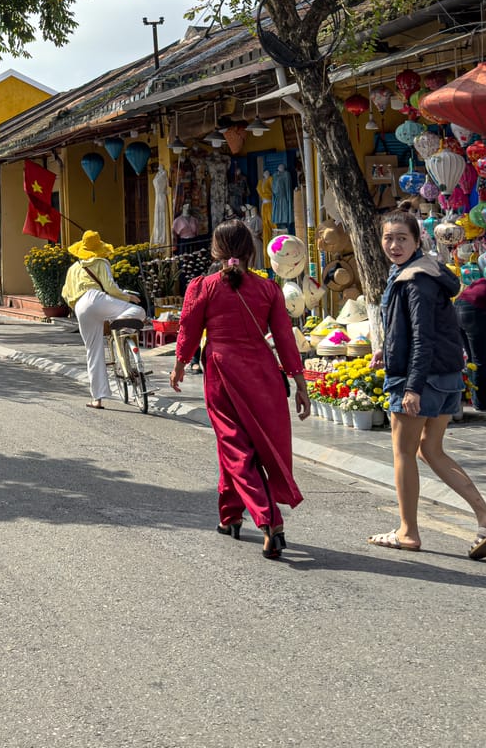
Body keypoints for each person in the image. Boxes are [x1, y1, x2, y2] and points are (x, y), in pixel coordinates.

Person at [368, 211, 486, 559]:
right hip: (444, 375)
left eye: (402, 237)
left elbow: (423, 337)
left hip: (421, 377)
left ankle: (407, 531)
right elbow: (414, 331)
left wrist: (413, 387)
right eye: (389, 238)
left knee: (403, 452)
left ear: (418, 241)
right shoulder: (422, 273)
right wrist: (386, 351)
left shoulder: (415, 280)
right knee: (430, 449)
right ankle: (485, 514)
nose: (394, 245)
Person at [170, 219, 310, 559]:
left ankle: (269, 521)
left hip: (222, 373)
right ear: (250, 250)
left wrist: (178, 365)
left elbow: (188, 330)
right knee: (243, 448)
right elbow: (285, 340)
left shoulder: (202, 286)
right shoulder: (269, 289)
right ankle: (230, 516)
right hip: (263, 375)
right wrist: (300, 383)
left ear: (215, 252)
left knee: (235, 447)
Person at [60, 230, 146, 409]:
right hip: (97, 298)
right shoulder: (101, 262)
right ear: (99, 247)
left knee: (93, 352)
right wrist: (127, 297)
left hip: (80, 306)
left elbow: (66, 295)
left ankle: (97, 399)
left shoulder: (73, 269)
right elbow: (110, 288)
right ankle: (122, 325)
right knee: (137, 310)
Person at [455, 271, 486, 413]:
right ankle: (484, 403)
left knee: (473, 360)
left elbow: (476, 303)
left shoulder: (482, 282)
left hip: (458, 310)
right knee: (481, 360)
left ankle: (475, 399)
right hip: (472, 316)